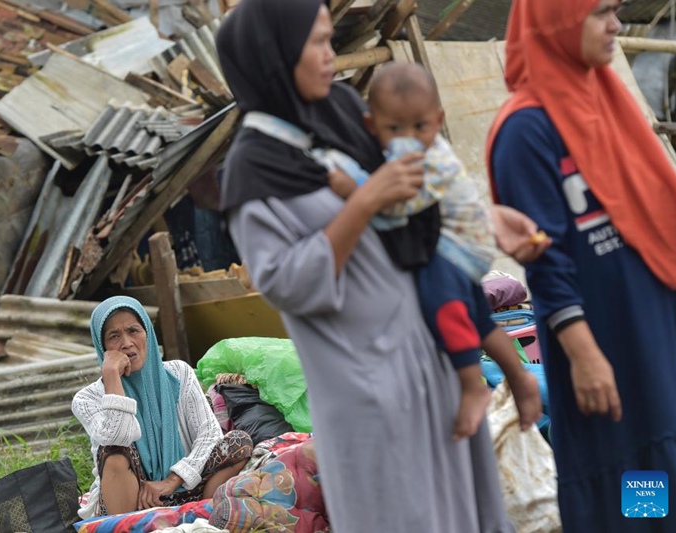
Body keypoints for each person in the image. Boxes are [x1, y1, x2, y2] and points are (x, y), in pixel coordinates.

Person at [216, 0, 546, 531]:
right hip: (365, 384)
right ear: (273, 56)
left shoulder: (344, 113)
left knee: (464, 512)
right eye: (317, 43)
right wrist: (363, 204)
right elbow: (287, 284)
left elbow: (414, 200)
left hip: (430, 357)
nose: (332, 55)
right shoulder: (253, 170)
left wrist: (483, 219)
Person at [487, 0, 676, 531]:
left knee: (662, 445)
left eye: (616, 10)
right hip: (603, 342)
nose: (616, 25)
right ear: (557, 21)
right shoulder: (525, 132)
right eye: (600, 12)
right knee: (626, 460)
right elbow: (546, 262)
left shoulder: (609, 103)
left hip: (656, 328)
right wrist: (585, 353)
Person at [323, 61, 542, 440]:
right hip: (454, 240)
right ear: (372, 126)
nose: (409, 137)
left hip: (460, 245)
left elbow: (394, 208)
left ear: (438, 120)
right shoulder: (411, 151)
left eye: (420, 127)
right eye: (395, 128)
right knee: (478, 316)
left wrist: (351, 187)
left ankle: (472, 382)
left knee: (441, 303)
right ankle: (519, 376)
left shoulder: (432, 160)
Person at [72, 296, 252, 518]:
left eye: (133, 331)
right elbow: (117, 438)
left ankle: (203, 519)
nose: (126, 343)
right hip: (134, 499)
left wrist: (172, 481)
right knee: (115, 453)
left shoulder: (179, 373)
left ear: (147, 332)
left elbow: (209, 433)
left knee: (238, 442)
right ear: (102, 347)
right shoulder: (87, 398)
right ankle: (127, 525)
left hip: (186, 489)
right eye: (114, 336)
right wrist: (112, 379)